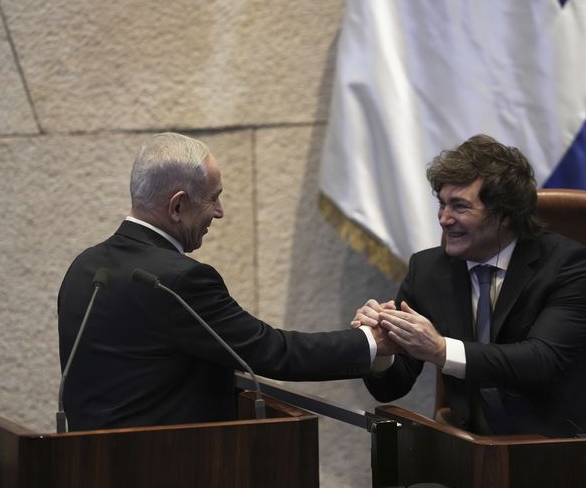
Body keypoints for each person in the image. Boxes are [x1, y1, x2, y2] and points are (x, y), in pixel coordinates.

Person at [58, 132, 395, 431]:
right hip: (165, 468)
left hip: (92, 466)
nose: (218, 212)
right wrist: (371, 340)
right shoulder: (177, 279)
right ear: (177, 206)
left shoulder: (85, 266)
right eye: (212, 198)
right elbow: (271, 351)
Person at [354, 134, 586, 437]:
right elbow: (392, 386)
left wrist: (442, 350)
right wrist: (381, 348)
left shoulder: (570, 265)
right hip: (481, 446)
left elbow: (541, 361)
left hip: (571, 443)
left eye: (459, 206)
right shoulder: (428, 270)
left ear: (504, 215)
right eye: (442, 204)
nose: (444, 219)